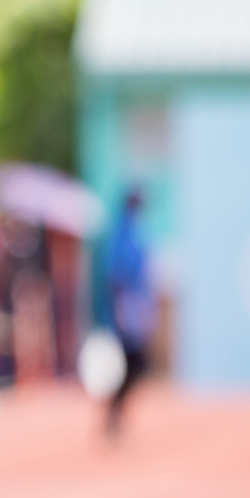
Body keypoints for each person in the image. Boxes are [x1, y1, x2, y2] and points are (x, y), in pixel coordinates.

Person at [102, 188, 155, 442]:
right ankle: (114, 408)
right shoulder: (124, 233)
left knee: (136, 364)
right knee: (137, 363)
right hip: (128, 308)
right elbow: (117, 277)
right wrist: (124, 312)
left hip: (136, 306)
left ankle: (116, 409)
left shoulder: (134, 229)